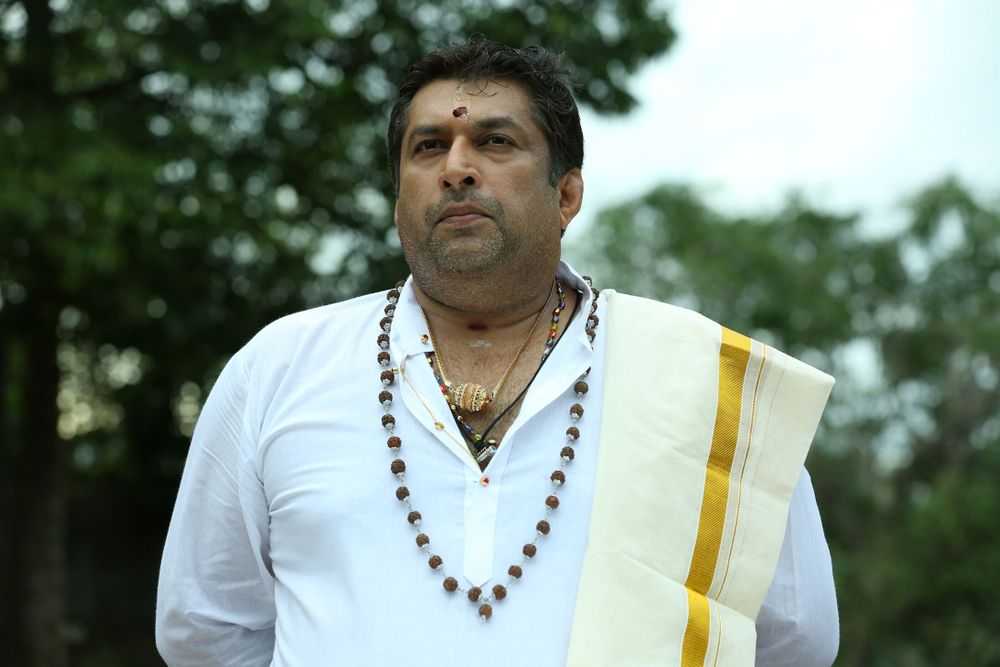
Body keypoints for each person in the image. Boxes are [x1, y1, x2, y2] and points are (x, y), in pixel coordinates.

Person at [156, 37, 839, 666]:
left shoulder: (703, 380)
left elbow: (793, 637)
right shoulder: (279, 369)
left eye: (496, 141)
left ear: (566, 193)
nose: (457, 168)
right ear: (398, 200)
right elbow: (205, 628)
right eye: (429, 147)